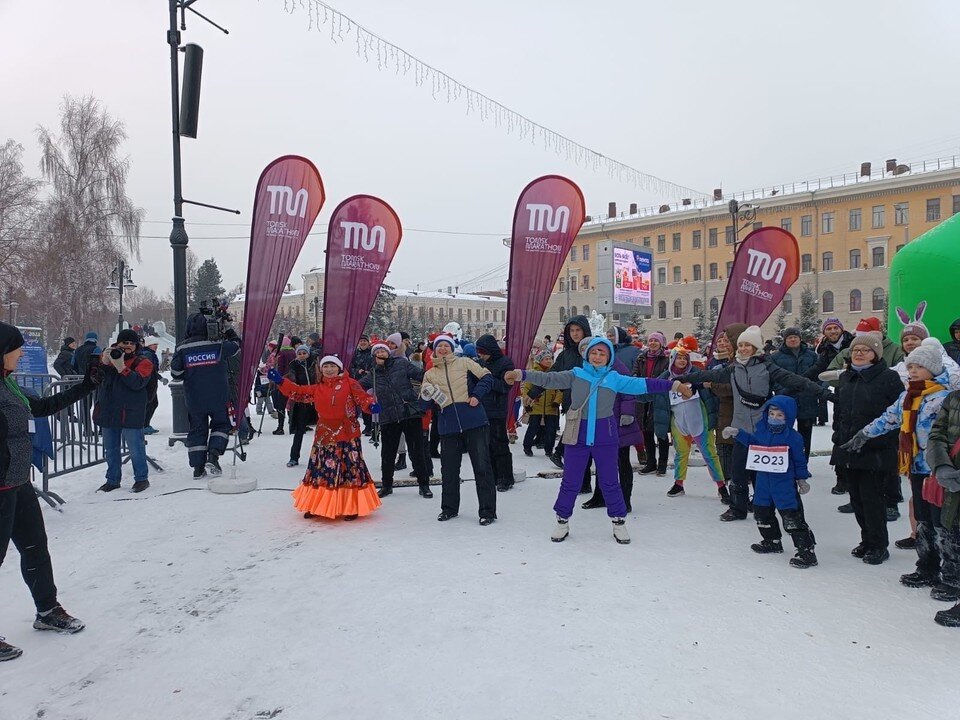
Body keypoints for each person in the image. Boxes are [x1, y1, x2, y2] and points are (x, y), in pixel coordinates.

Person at [506, 337, 689, 544]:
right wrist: (522, 374)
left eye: (603, 353)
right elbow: (550, 379)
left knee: (610, 481)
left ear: (609, 357)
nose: (598, 356)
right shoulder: (576, 375)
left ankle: (618, 522)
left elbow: (644, 384)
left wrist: (674, 385)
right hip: (578, 437)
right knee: (570, 481)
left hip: (606, 436)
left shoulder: (614, 378)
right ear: (587, 354)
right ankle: (562, 520)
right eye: (594, 352)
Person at [1, 323, 97, 660]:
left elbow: (40, 408)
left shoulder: (9, 385)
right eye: (16, 348)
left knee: (35, 548)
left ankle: (47, 611)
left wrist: (87, 386)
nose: (21, 352)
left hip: (17, 483)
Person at [675, 325, 833, 522]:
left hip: (762, 429)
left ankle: (761, 505)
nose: (742, 348)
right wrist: (681, 378)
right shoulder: (733, 368)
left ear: (756, 347)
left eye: (747, 345)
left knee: (760, 473)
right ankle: (737, 508)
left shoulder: (768, 367)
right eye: (740, 345)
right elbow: (708, 375)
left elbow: (797, 381)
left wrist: (825, 394)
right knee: (738, 471)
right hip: (741, 428)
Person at [843, 341, 955, 589]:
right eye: (910, 366)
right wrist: (864, 434)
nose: (912, 371)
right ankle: (927, 567)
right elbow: (889, 418)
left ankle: (951, 577)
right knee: (923, 520)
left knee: (943, 524)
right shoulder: (910, 395)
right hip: (916, 466)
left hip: (939, 471)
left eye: (918, 367)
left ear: (933, 369)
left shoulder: (946, 397)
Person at [269, 357, 381, 521]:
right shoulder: (318, 388)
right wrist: (280, 381)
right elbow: (298, 392)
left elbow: (362, 398)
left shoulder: (350, 383)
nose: (329, 369)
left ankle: (351, 506)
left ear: (339, 368)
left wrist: (370, 406)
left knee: (349, 470)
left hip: (348, 433)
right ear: (321, 369)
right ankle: (316, 505)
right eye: (326, 366)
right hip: (325, 434)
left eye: (332, 366)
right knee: (320, 471)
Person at [828, 331, 905, 564]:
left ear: (876, 354)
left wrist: (881, 441)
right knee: (858, 500)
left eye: (865, 350)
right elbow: (841, 412)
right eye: (855, 350)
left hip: (875, 451)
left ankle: (879, 544)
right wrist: (838, 438)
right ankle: (866, 540)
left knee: (873, 500)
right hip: (848, 448)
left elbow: (897, 415)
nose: (859, 353)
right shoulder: (847, 378)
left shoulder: (889, 378)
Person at [723, 395, 818, 568]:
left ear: (788, 417)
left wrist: (802, 478)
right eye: (771, 414)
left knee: (792, 517)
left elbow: (799, 460)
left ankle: (806, 550)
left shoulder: (793, 438)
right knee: (761, 512)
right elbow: (753, 442)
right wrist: (738, 433)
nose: (774, 418)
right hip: (763, 483)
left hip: (784, 484)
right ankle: (771, 540)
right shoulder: (762, 431)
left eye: (779, 415)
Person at [421, 335, 497, 525]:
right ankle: (449, 509)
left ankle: (487, 511)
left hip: (474, 421)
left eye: (447, 345)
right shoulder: (430, 374)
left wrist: (477, 395)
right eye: (440, 346)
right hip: (448, 427)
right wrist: (425, 394)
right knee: (449, 470)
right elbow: (423, 405)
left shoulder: (465, 362)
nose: (443, 349)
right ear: (434, 350)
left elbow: (487, 377)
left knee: (482, 467)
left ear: (452, 348)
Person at [170, 313, 240, 478]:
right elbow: (237, 346)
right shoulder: (218, 344)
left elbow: (176, 372)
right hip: (219, 395)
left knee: (197, 429)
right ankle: (213, 456)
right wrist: (228, 329)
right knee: (221, 425)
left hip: (194, 397)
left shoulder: (182, 348)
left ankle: (197, 468)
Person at [359, 342, 432, 499]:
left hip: (409, 413)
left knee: (417, 450)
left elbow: (422, 375)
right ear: (373, 356)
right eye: (377, 351)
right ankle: (387, 485)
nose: (380, 353)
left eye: (383, 350)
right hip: (388, 417)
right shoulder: (372, 374)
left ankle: (424, 484)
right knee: (388, 453)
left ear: (388, 353)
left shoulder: (401, 363)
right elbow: (356, 388)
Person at [658, 341, 727, 501]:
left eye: (685, 358)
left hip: (699, 419)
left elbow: (710, 389)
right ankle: (678, 483)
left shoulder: (696, 372)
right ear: (673, 360)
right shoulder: (667, 376)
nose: (682, 361)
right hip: (679, 422)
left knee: (709, 453)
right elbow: (653, 389)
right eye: (679, 358)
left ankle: (721, 486)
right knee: (680, 454)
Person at [94, 329, 153, 493]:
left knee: (136, 448)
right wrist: (103, 364)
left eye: (131, 343)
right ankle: (112, 480)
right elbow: (95, 379)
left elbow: (138, 383)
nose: (127, 346)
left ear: (136, 345)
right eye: (124, 343)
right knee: (111, 449)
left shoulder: (144, 361)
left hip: (131, 412)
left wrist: (122, 367)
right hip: (109, 410)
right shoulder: (108, 356)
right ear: (118, 343)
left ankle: (141, 479)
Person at [926, 375, 960, 626]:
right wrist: (941, 466)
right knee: (955, 535)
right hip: (953, 484)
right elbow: (936, 433)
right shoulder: (954, 398)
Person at [769, 327, 819, 457]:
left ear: (800, 339)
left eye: (795, 337)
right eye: (789, 337)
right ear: (785, 340)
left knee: (805, 435)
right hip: (785, 399)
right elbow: (773, 378)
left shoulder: (812, 355)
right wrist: (780, 390)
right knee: (783, 432)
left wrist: (815, 390)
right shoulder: (775, 357)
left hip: (807, 400)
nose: (792, 339)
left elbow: (819, 375)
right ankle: (785, 462)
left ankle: (803, 463)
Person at [708, 324, 745, 497]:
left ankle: (739, 496)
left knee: (738, 456)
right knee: (724, 450)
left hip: (740, 415)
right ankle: (731, 493)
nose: (725, 343)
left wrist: (713, 385)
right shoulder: (731, 360)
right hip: (723, 412)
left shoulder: (744, 362)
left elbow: (735, 387)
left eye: (728, 340)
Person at [475, 334, 515, 492]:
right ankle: (493, 475)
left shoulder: (505, 363)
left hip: (497, 410)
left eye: (483, 351)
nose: (480, 355)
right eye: (479, 352)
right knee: (486, 445)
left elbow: (506, 386)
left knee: (500, 444)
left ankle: (506, 478)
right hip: (481, 409)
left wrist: (487, 379)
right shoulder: (480, 363)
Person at [634, 332, 670, 476]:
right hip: (643, 398)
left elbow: (668, 375)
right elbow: (635, 373)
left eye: (656, 341)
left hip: (660, 397)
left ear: (661, 343)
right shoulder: (641, 357)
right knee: (646, 431)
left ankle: (662, 465)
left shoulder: (666, 359)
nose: (653, 343)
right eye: (651, 340)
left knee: (661, 432)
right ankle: (650, 463)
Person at [522, 350, 561, 458]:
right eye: (546, 359)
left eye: (550, 358)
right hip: (536, 405)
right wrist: (527, 404)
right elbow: (526, 389)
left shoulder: (554, 373)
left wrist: (557, 401)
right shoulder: (533, 373)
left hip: (551, 406)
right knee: (533, 428)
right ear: (540, 360)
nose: (549, 361)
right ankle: (527, 447)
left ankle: (549, 450)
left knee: (551, 430)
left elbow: (560, 389)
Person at [284, 346, 318, 468]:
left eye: (304, 353)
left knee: (322, 430)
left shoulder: (315, 362)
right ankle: (294, 457)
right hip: (302, 399)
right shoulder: (294, 365)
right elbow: (291, 377)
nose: (302, 355)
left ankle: (320, 457)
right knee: (299, 430)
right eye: (300, 353)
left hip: (317, 398)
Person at [350, 335, 375, 435]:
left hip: (371, 381)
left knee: (370, 403)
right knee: (361, 403)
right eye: (361, 341)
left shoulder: (372, 353)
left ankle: (373, 425)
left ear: (368, 342)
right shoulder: (355, 354)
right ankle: (366, 425)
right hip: (359, 382)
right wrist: (357, 371)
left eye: (364, 341)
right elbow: (351, 366)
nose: (363, 343)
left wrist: (370, 372)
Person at [140, 335, 164, 435]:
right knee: (151, 404)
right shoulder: (148, 355)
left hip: (150, 383)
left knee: (151, 403)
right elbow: (151, 370)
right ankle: (144, 425)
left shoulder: (148, 354)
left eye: (156, 344)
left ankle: (145, 425)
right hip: (149, 384)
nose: (156, 346)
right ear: (149, 345)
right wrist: (160, 377)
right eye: (154, 344)